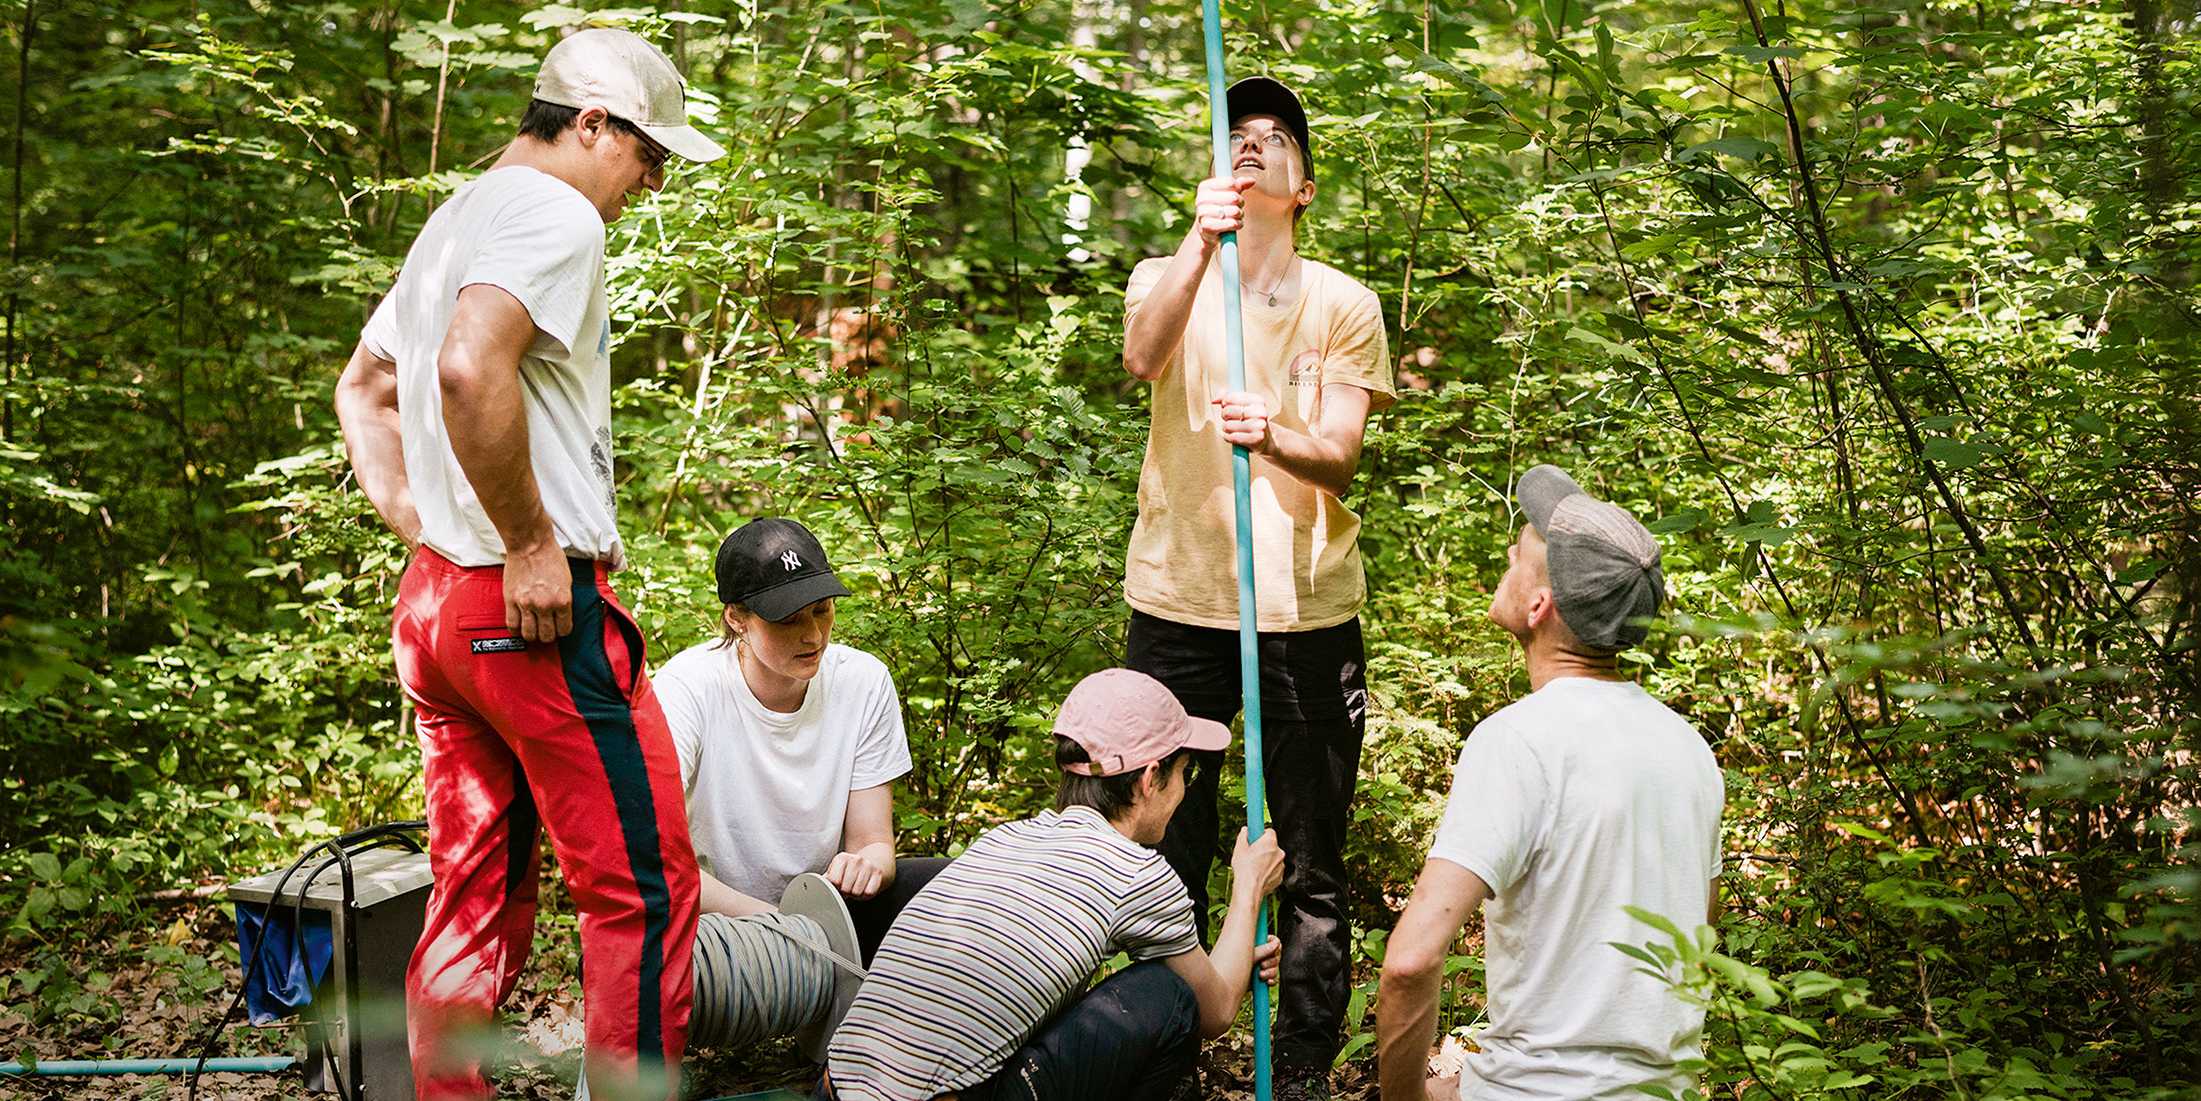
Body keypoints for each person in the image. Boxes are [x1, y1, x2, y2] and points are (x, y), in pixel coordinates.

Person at [332, 27, 723, 1101]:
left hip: (440, 612)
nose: (651, 180)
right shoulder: (552, 211)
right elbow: (466, 366)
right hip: (528, 613)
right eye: (648, 153)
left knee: (473, 881)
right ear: (590, 123)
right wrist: (522, 544)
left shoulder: (456, 219)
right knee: (640, 893)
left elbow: (362, 392)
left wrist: (432, 532)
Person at [1119, 75, 1395, 1098]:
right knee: (1161, 850)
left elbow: (1337, 458)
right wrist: (1198, 244)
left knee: (1311, 852)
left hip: (1304, 609)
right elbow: (1140, 358)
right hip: (1177, 601)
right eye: (1235, 134)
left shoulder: (1340, 305)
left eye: (1273, 138)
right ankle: (1166, 1056)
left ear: (1304, 184)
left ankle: (1308, 1072)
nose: (1251, 146)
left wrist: (1269, 431)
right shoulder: (1168, 271)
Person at [1373, 465, 1725, 1101]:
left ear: (1539, 607)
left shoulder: (1517, 741)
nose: (1510, 551)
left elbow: (1410, 960)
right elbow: (1697, 937)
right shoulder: (1691, 749)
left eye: (1522, 552)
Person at [823, 669, 1288, 1100]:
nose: (1184, 789)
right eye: (1184, 772)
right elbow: (1215, 1010)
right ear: (1150, 780)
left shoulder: (1007, 838)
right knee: (1166, 996)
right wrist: (1248, 886)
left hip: (835, 1087)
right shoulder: (1136, 871)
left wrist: (1235, 953)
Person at [655, 517, 948, 961]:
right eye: (788, 620)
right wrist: (780, 925)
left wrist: (868, 866)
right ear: (737, 618)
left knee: (952, 886)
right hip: (717, 922)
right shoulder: (687, 686)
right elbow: (658, 864)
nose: (812, 635)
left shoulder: (863, 681)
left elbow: (874, 842)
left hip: (827, 913)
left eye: (821, 610)